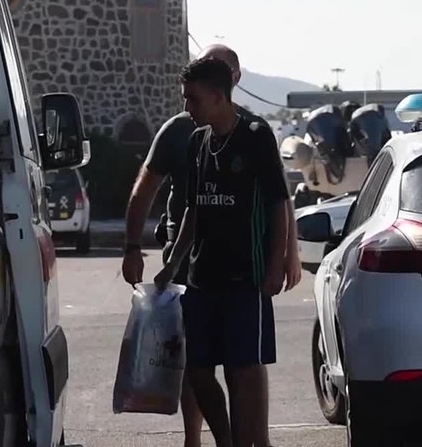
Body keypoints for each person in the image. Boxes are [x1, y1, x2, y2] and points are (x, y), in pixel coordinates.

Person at [121, 44, 298, 447]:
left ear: (219, 95)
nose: (188, 106)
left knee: (244, 370)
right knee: (197, 370)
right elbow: (193, 211)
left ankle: (253, 440)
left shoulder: (256, 136)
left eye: (193, 98)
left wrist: (277, 263)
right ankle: (226, 439)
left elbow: (277, 203)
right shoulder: (196, 140)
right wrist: (173, 262)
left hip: (244, 277)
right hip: (201, 278)